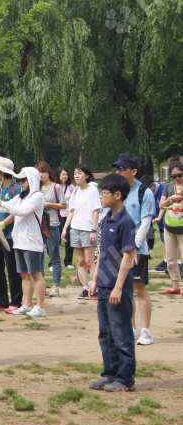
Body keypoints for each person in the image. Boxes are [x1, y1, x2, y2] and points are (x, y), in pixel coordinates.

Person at [88, 173, 137, 392]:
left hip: (118, 285)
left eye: (104, 193)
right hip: (104, 284)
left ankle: (125, 379)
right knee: (105, 332)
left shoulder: (125, 221)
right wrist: (94, 280)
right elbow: (100, 254)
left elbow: (128, 256)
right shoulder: (106, 218)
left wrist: (118, 287)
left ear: (117, 195)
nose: (100, 196)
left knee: (121, 332)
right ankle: (110, 374)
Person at [112, 153, 155, 346]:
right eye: (117, 169)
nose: (118, 172)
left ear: (134, 171)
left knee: (139, 288)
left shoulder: (144, 193)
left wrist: (134, 247)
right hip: (118, 249)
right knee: (125, 289)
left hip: (137, 249)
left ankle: (146, 331)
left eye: (122, 169)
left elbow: (145, 222)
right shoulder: (117, 191)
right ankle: (131, 327)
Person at [0, 167, 47, 317]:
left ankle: (40, 306)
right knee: (24, 275)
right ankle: (26, 304)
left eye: (23, 180)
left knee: (36, 274)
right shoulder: (21, 196)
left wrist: (0, 201)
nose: (20, 183)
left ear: (31, 180)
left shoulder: (37, 196)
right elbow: (4, 208)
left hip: (31, 241)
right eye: (19, 180)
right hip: (19, 240)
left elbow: (21, 211)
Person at [0, 157, 23, 312]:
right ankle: (2, 300)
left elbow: (16, 211)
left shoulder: (17, 189)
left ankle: (16, 300)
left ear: (3, 172)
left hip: (10, 234)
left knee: (13, 269)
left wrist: (3, 224)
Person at [61, 164, 101, 300]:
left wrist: (93, 230)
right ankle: (85, 288)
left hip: (87, 229)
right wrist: (65, 228)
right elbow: (71, 211)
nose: (76, 176)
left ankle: (95, 287)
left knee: (90, 261)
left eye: (79, 173)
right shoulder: (75, 191)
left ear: (87, 175)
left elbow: (96, 210)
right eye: (75, 173)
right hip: (75, 229)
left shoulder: (93, 190)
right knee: (81, 262)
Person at [36, 162, 67, 297]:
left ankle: (56, 286)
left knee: (54, 256)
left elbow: (64, 205)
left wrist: (49, 204)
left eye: (43, 171)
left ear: (49, 172)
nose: (41, 174)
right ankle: (41, 285)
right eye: (38, 172)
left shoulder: (56, 187)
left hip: (52, 225)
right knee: (39, 257)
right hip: (37, 226)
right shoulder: (35, 188)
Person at [159, 159, 183, 294]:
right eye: (174, 176)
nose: (177, 178)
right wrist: (171, 199)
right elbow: (161, 205)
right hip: (170, 226)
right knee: (171, 258)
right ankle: (175, 286)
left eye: (179, 175)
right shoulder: (168, 187)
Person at [56, 167, 77, 270]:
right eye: (63, 174)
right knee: (56, 239)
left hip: (69, 216)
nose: (65, 176)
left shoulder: (72, 187)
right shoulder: (55, 186)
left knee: (69, 239)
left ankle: (68, 261)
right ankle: (54, 262)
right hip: (57, 215)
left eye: (66, 174)